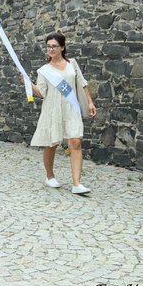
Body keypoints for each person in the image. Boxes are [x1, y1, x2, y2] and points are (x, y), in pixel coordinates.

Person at [31, 31, 97, 195]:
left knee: (75, 142)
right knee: (51, 144)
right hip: (52, 109)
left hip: (70, 108)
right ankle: (50, 176)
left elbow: (82, 84)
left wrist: (89, 102)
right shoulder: (44, 70)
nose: (51, 49)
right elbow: (41, 93)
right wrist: (28, 83)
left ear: (62, 47)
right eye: (48, 46)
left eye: (54, 46)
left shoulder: (72, 65)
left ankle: (77, 183)